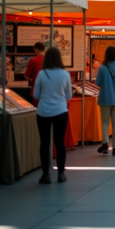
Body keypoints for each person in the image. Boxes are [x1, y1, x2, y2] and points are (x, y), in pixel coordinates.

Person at [33, 47, 72, 184]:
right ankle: (61, 173)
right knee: (60, 142)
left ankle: (45, 174)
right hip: (61, 111)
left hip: (43, 111)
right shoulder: (64, 74)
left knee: (45, 143)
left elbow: (36, 95)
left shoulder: (42, 74)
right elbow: (68, 95)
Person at [95, 46, 115, 155]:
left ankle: (104, 144)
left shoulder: (102, 68)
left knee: (105, 121)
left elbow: (98, 83)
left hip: (105, 97)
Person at [24, 42, 46, 106]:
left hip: (36, 91)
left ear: (36, 49)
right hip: (48, 92)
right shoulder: (49, 60)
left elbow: (27, 77)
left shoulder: (32, 60)